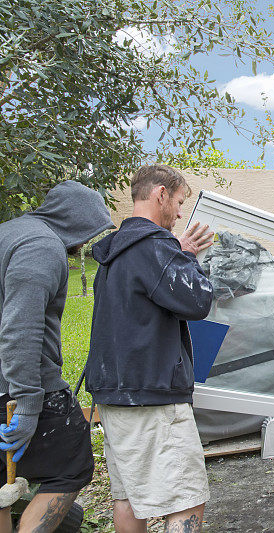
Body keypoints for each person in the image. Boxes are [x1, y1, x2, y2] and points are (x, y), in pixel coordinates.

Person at [85, 164, 215, 533]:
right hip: (151, 396)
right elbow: (198, 301)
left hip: (115, 394)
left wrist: (177, 252)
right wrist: (184, 258)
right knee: (186, 497)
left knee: (129, 498)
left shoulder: (116, 251)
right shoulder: (155, 247)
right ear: (160, 194)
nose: (178, 214)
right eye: (177, 202)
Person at [0, 181, 115, 532]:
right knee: (72, 465)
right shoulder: (42, 246)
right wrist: (29, 404)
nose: (84, 244)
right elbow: (21, 329)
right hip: (20, 387)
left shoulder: (9, 233)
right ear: (76, 221)